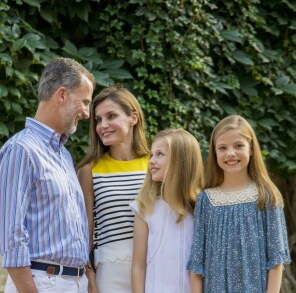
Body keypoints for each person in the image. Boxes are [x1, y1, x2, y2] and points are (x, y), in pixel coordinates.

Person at [0, 57, 95, 293]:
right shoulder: (21, 149)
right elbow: (10, 235)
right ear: (61, 94)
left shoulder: (64, 155)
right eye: (84, 102)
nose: (87, 113)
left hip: (75, 283)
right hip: (44, 283)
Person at [187, 114, 291, 293]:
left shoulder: (267, 196)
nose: (230, 153)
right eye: (222, 147)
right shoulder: (206, 200)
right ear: (214, 153)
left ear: (251, 149)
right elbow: (197, 264)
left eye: (238, 146)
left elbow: (276, 262)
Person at [77, 85, 149, 292]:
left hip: (154, 267)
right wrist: (89, 278)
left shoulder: (155, 164)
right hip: (110, 272)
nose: (103, 125)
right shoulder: (89, 170)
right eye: (98, 120)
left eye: (111, 116)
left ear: (133, 118)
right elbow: (84, 233)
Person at [131, 128, 204, 293]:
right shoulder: (144, 207)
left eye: (160, 154)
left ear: (181, 160)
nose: (151, 161)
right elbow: (138, 266)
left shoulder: (202, 207)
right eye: (152, 155)